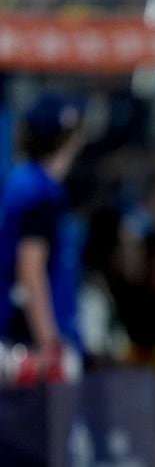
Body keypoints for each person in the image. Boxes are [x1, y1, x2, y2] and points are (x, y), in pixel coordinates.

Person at [0, 92, 85, 384]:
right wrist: (51, 347)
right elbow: (30, 270)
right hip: (27, 342)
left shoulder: (23, 181)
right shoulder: (39, 192)